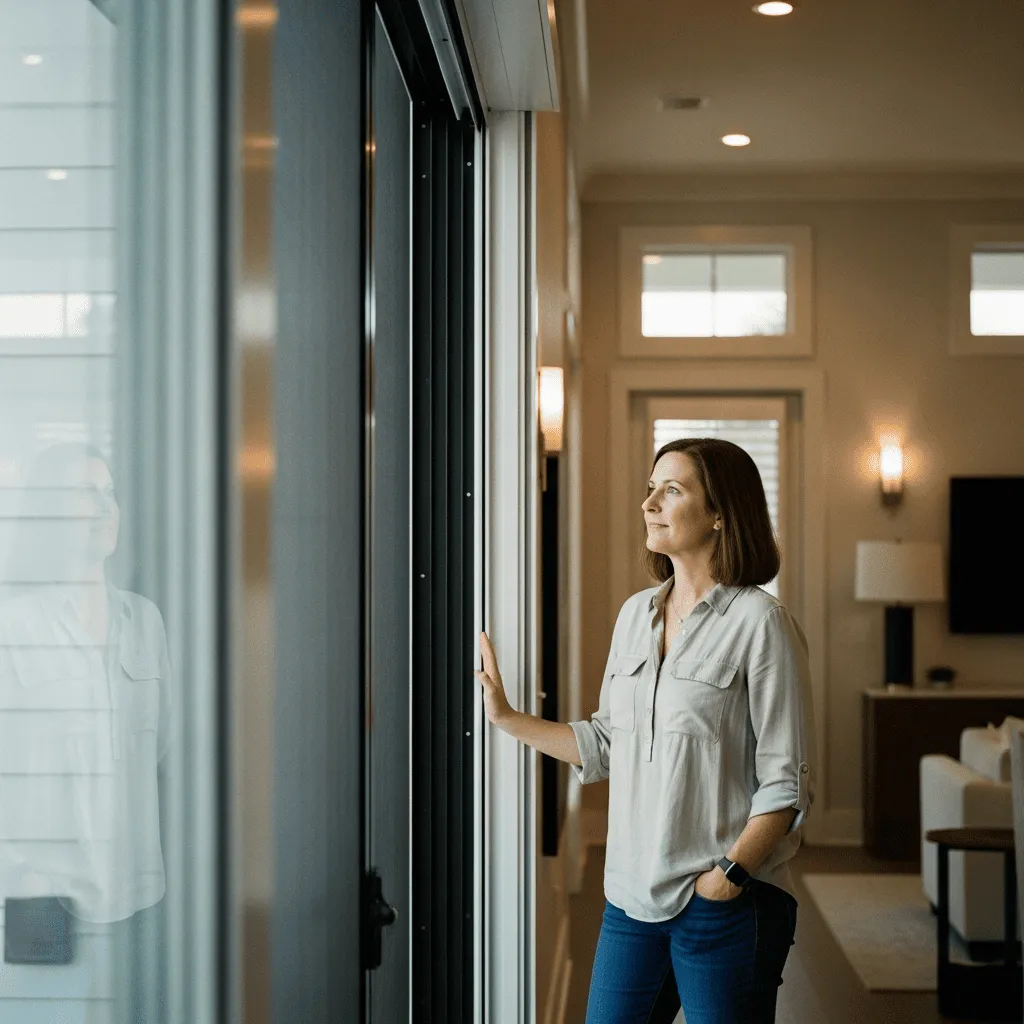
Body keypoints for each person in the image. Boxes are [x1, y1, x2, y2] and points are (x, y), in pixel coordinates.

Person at [475, 437, 816, 1024]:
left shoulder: (762, 624)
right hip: (630, 900)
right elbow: (607, 745)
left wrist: (728, 876)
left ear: (718, 514)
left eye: (673, 489)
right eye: (651, 487)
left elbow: (787, 784)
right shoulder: (636, 615)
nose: (649, 502)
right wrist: (507, 719)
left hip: (724, 901)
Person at [0, 443, 172, 926]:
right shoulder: (12, 628)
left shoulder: (144, 621)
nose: (103, 507)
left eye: (109, 492)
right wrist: (23, 875)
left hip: (143, 901)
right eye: (84, 492)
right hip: (47, 907)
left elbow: (161, 748)